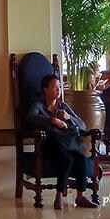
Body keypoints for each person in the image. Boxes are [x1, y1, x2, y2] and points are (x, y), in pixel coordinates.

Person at [27, 74, 98, 210]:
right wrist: (52, 120)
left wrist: (68, 117)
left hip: (66, 143)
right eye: (55, 87)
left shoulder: (63, 106)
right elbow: (31, 117)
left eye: (59, 87)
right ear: (46, 89)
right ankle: (59, 196)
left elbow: (82, 125)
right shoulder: (39, 105)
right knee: (67, 160)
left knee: (81, 160)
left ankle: (80, 197)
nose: (58, 90)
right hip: (50, 144)